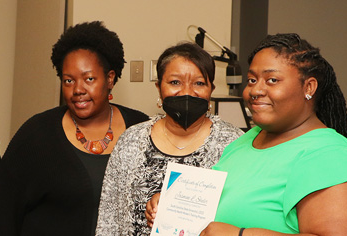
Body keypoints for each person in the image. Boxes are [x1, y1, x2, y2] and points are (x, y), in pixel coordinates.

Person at [199, 33, 347, 235]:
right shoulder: (248, 140)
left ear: (309, 87)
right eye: (252, 80)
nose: (255, 90)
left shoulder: (330, 157)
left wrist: (240, 234)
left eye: (272, 80)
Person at [0, 21, 149, 235]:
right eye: (68, 81)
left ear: (110, 79)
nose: (78, 89)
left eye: (89, 79)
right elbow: (4, 215)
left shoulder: (140, 129)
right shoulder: (36, 135)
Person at [96, 43, 244, 236]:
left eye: (199, 83)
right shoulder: (131, 140)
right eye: (175, 82)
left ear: (211, 89)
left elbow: (241, 213)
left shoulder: (233, 143)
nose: (187, 92)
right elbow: (109, 219)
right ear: (159, 87)